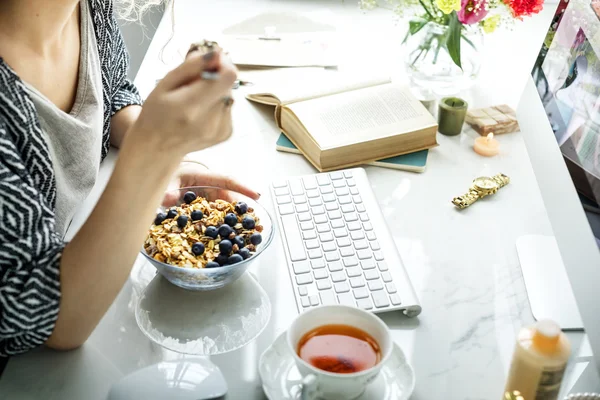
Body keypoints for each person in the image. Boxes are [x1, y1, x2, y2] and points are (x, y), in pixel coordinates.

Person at [0, 0, 258, 356]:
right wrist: (154, 154)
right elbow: (53, 320)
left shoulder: (86, 8)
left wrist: (164, 150)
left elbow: (112, 92)